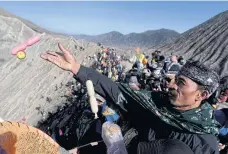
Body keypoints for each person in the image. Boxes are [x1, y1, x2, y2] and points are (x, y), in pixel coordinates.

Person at [41, 43, 221, 154]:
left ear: (202, 95)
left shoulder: (203, 143)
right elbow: (116, 90)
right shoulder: (157, 103)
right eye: (174, 80)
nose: (171, 85)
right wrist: (78, 69)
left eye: (181, 82)